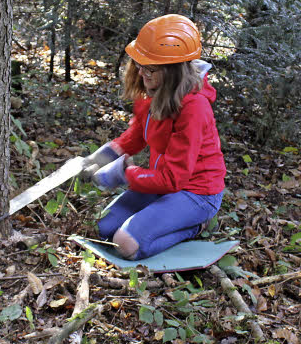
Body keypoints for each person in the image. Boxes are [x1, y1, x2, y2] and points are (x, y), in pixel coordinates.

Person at [80, 14, 226, 260]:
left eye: (151, 68)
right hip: (164, 184)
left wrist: (125, 174)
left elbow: (173, 179)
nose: (142, 73)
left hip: (196, 193)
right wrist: (99, 158)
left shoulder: (194, 108)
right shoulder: (152, 92)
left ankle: (195, 226)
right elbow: (136, 136)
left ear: (174, 70)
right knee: (103, 229)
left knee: (124, 244)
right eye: (139, 64)